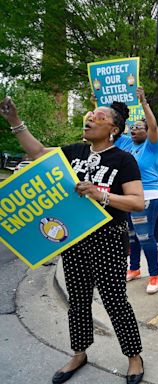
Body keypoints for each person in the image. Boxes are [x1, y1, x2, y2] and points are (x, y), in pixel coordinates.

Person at [0, 97, 145, 384]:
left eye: (98, 117)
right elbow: (39, 152)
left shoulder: (123, 160)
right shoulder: (75, 152)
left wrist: (101, 194)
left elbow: (137, 203)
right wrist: (14, 121)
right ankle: (79, 353)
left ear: (114, 129)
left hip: (108, 241)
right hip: (75, 241)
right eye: (90, 115)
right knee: (78, 302)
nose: (89, 119)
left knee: (115, 301)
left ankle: (134, 357)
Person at [116, 87, 158, 294]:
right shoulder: (127, 144)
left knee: (146, 236)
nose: (134, 130)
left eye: (138, 128)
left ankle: (154, 275)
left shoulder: (151, 146)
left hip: (150, 196)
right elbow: (114, 130)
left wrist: (144, 102)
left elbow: (153, 125)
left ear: (147, 132)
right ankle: (134, 268)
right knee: (132, 235)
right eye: (132, 128)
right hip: (130, 197)